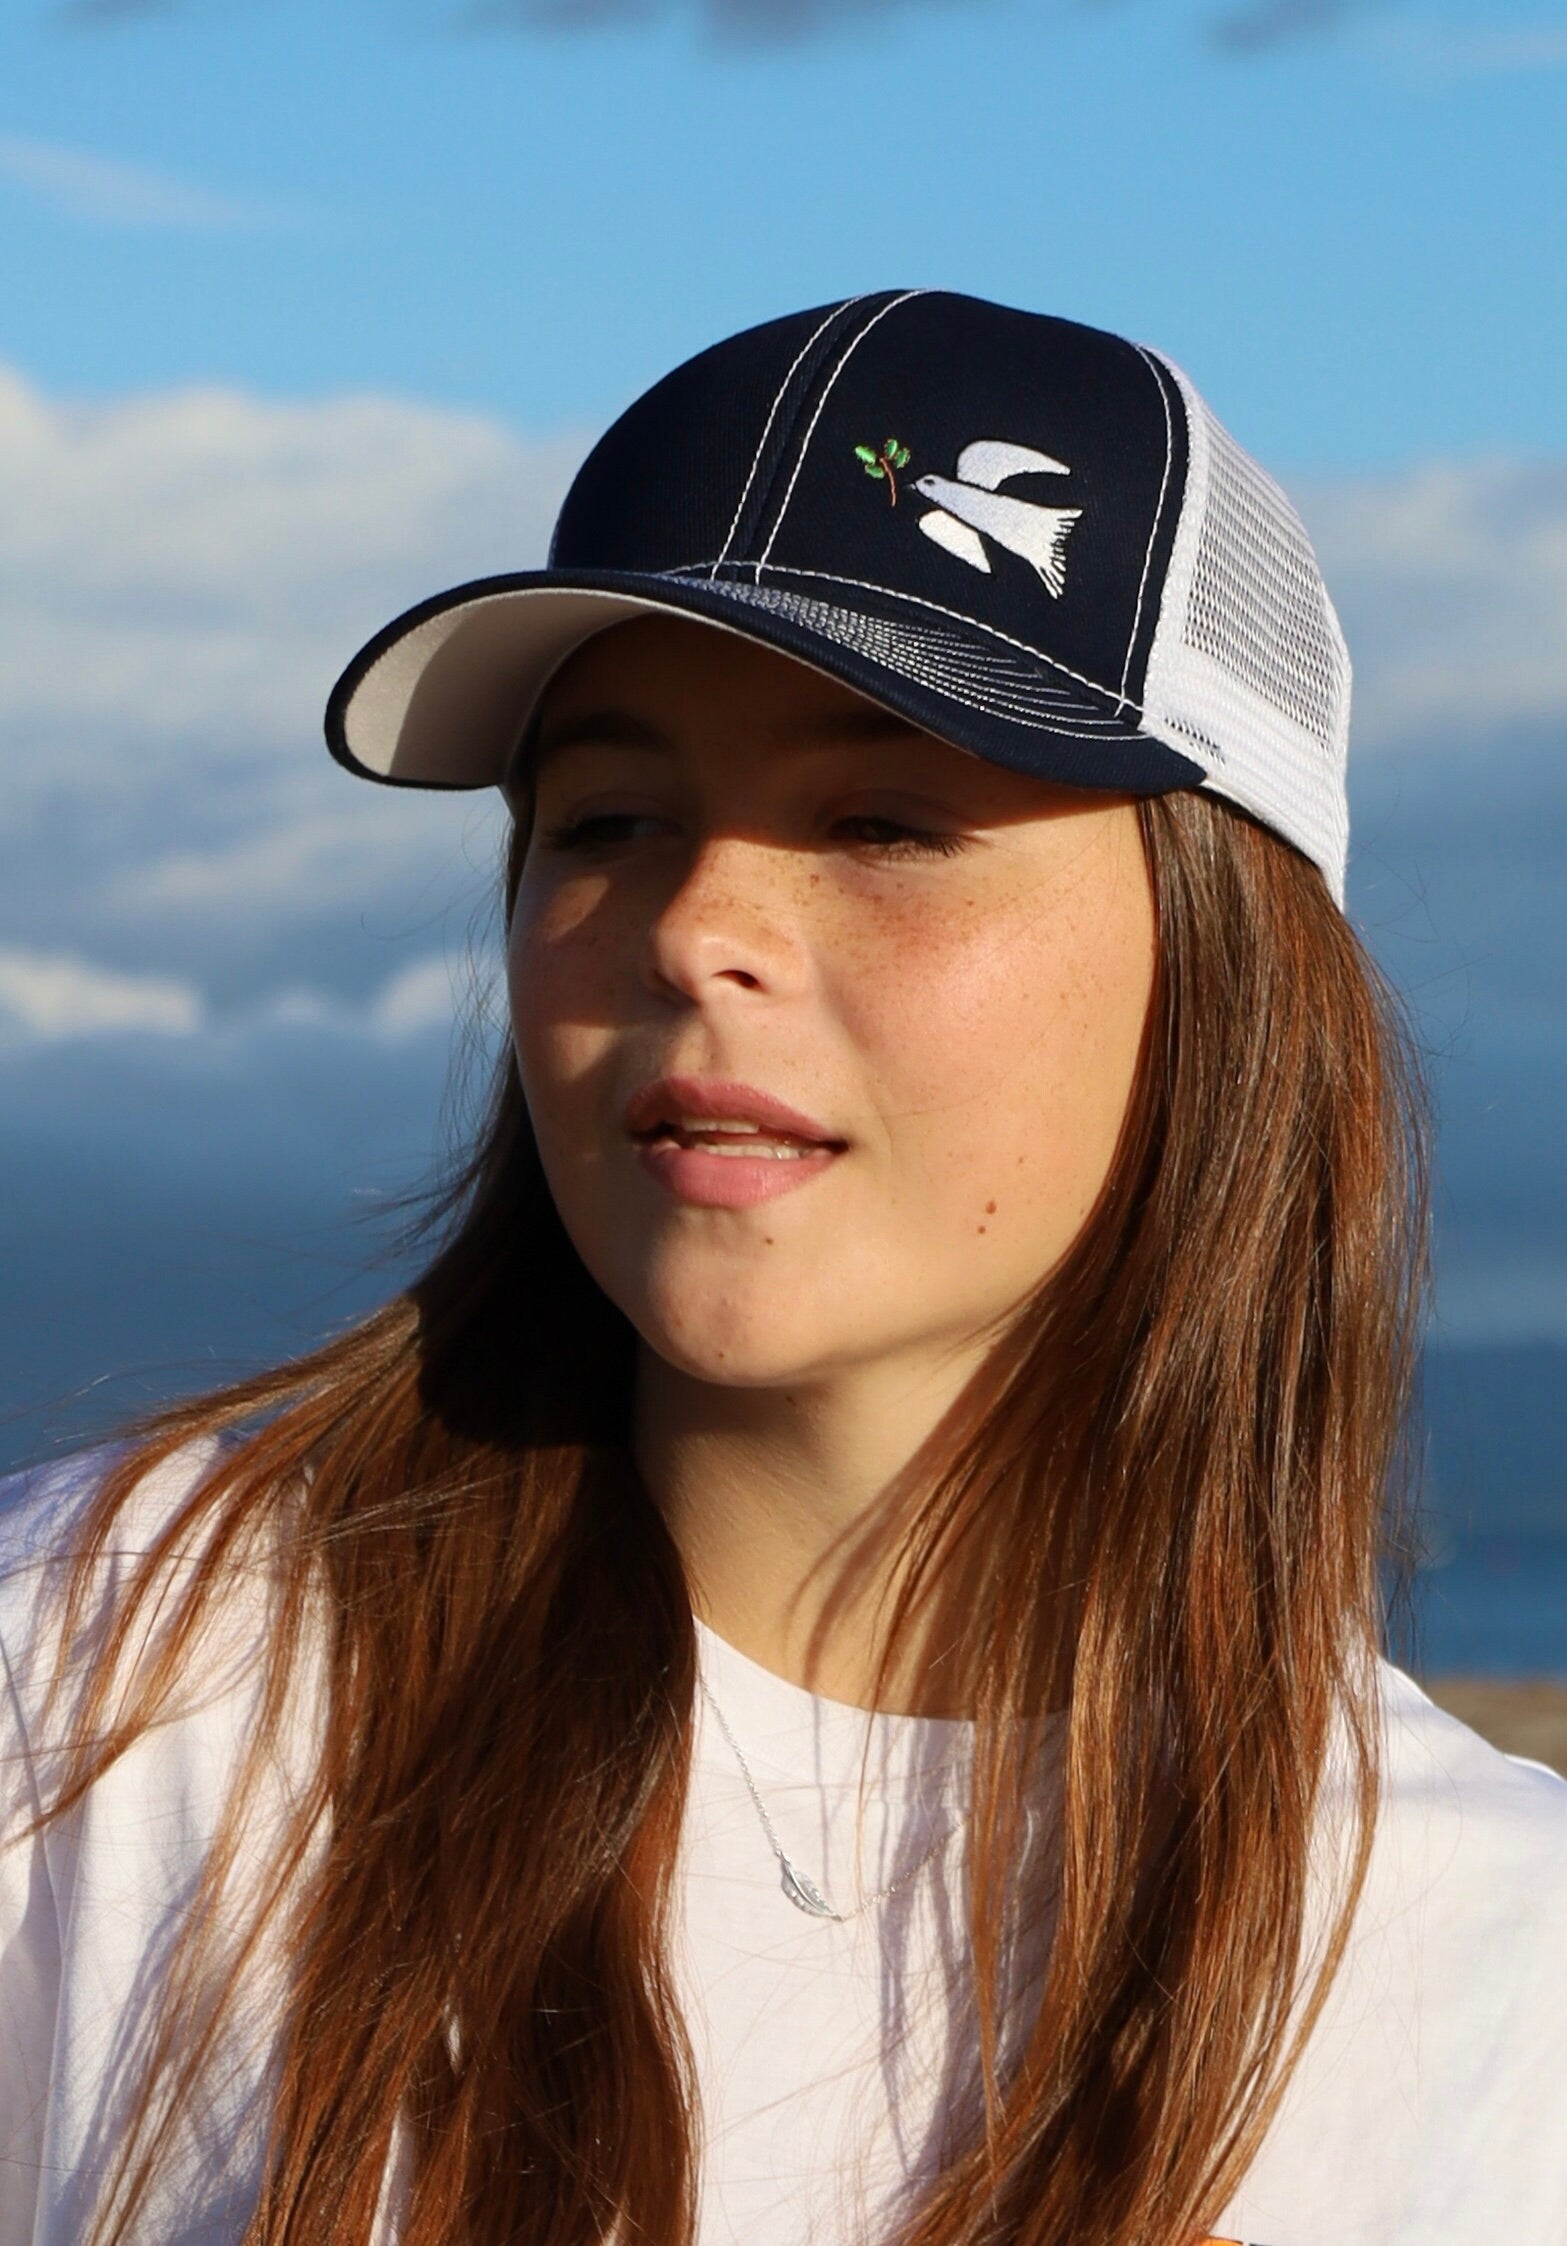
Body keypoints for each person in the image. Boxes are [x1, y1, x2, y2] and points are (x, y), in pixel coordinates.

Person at [1, 290, 1563, 2246]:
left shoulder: (1498, 1973)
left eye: (884, 819)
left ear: (1225, 957)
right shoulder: (114, 1694)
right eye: (609, 819)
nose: (694, 922)